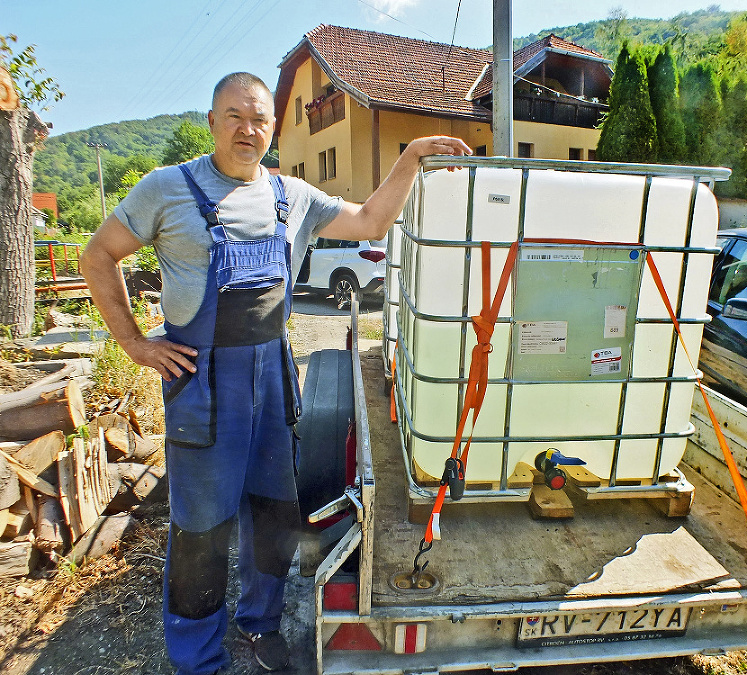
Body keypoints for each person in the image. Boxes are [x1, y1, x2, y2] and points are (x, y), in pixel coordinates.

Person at [80, 71, 470, 674]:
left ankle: (259, 628)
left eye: (259, 118)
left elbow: (369, 221)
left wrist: (412, 159)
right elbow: (97, 254)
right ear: (212, 121)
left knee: (274, 516)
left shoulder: (294, 196)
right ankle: (198, 659)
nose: (247, 128)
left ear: (271, 129)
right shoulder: (167, 189)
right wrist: (133, 342)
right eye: (234, 115)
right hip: (203, 383)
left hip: (272, 372)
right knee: (201, 532)